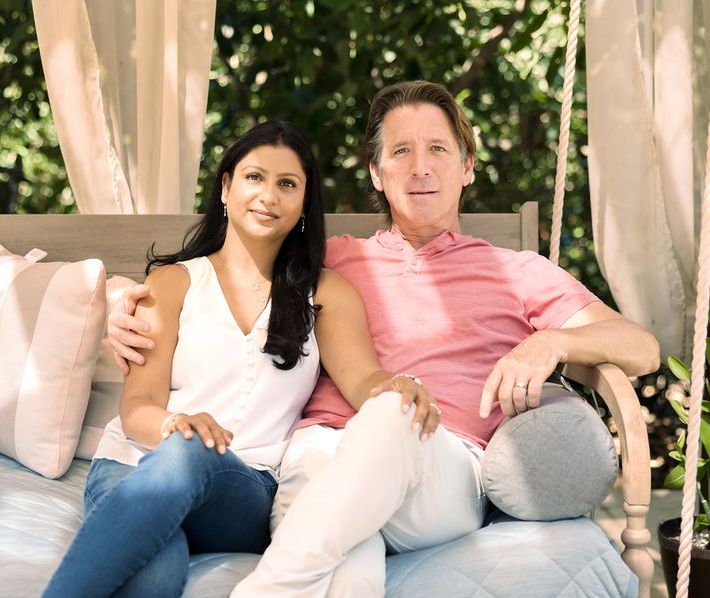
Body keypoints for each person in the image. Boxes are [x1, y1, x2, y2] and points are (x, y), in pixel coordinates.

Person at [110, 82, 661, 597]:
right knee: (351, 565)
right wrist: (120, 301)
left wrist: (551, 343)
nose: (420, 168)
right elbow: (221, 272)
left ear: (467, 166)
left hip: (439, 462)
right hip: (319, 452)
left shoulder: (516, 271)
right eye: (400, 151)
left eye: (438, 149)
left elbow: (641, 348)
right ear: (377, 173)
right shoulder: (327, 261)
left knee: (392, 409)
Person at [43, 121, 439, 598]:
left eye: (287, 184)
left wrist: (397, 386)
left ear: (303, 204)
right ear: (226, 187)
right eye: (254, 177)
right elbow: (137, 407)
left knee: (192, 451)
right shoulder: (172, 283)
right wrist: (174, 424)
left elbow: (362, 378)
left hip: (244, 490)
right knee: (153, 575)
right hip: (137, 465)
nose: (269, 196)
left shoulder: (325, 292)